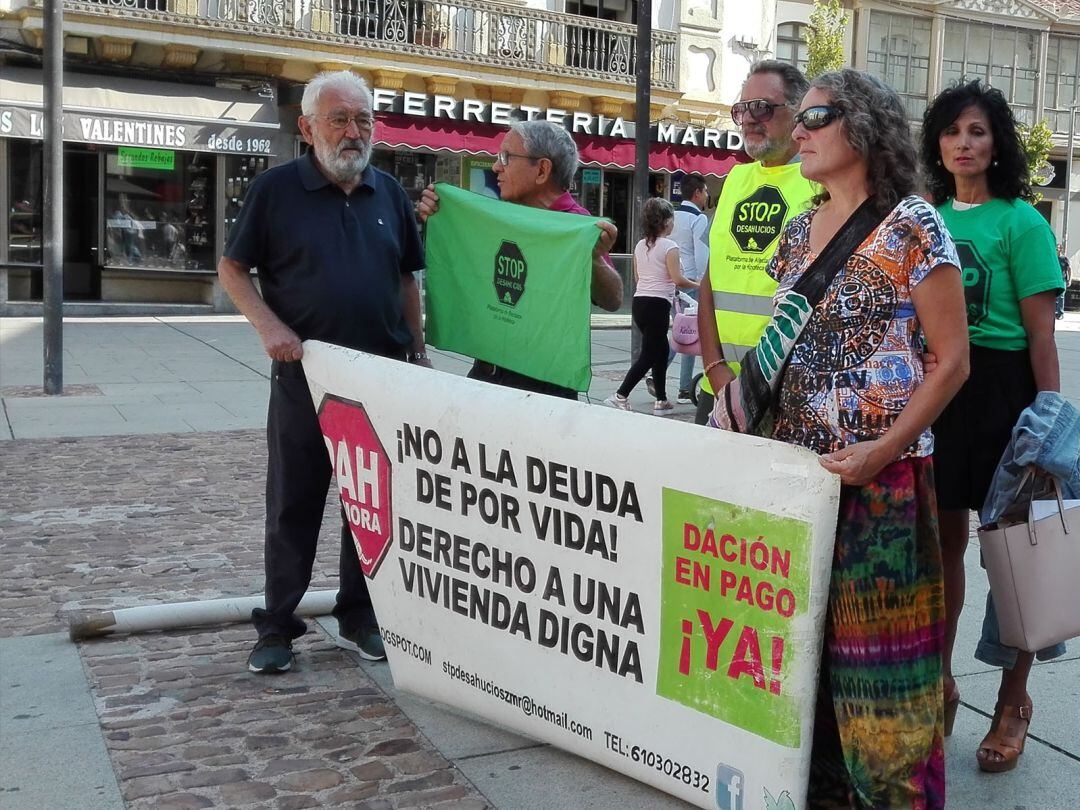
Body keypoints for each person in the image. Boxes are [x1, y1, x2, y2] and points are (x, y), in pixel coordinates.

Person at [759, 70, 969, 807]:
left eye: (816, 115)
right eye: (800, 118)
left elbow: (951, 360)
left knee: (883, 682)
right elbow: (781, 353)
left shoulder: (914, 225)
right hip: (799, 483)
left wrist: (882, 449)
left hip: (884, 489)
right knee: (802, 669)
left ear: (866, 125)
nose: (799, 131)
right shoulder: (793, 234)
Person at [217, 70, 429, 674]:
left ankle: (359, 615)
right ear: (308, 127)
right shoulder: (276, 190)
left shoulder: (388, 192)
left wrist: (417, 349)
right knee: (294, 503)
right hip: (305, 376)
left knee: (368, 506)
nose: (354, 131)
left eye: (364, 119)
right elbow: (233, 270)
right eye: (340, 119)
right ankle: (277, 626)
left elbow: (405, 279)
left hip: (379, 378)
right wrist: (269, 327)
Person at [921, 79, 1067, 773]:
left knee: (1012, 560)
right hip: (939, 392)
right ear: (937, 143)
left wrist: (1048, 430)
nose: (964, 143)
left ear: (996, 142)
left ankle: (1014, 702)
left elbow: (1043, 340)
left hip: (1007, 394)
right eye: (953, 131)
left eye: (977, 131)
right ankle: (941, 684)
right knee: (942, 551)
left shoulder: (1023, 223)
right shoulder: (924, 217)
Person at [416, 120, 622, 399]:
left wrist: (594, 259)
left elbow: (613, 299)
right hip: (485, 376)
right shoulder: (499, 215)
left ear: (542, 170)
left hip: (543, 389)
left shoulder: (575, 225)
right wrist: (440, 214)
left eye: (506, 157)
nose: (496, 167)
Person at [696, 60, 816, 425]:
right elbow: (710, 279)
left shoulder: (820, 180)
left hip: (788, 391)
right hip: (718, 386)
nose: (749, 118)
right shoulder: (734, 178)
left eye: (761, 107)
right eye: (741, 109)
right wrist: (714, 367)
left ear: (798, 112)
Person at [604, 199, 698, 413]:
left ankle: (662, 399)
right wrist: (699, 284)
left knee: (661, 349)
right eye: (671, 218)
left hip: (640, 302)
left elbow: (639, 277)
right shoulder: (670, 247)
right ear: (665, 222)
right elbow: (678, 279)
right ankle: (620, 395)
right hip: (657, 304)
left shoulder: (640, 245)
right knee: (648, 354)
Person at [668, 173, 711, 403]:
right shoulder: (699, 219)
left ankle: (661, 376)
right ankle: (685, 388)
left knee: (680, 330)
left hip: (673, 279)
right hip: (692, 280)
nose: (706, 196)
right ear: (697, 193)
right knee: (690, 335)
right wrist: (705, 282)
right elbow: (701, 252)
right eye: (705, 191)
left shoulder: (673, 216)